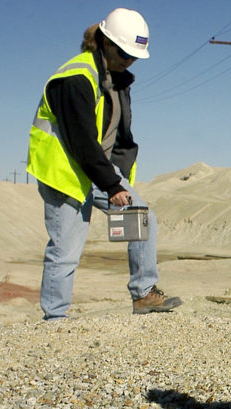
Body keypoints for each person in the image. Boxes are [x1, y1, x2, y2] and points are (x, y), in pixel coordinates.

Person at [27, 8, 181, 320]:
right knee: (66, 249)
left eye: (134, 56)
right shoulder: (75, 78)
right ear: (105, 42)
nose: (129, 60)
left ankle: (144, 294)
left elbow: (116, 134)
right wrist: (112, 185)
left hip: (98, 171)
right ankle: (55, 319)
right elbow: (81, 140)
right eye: (124, 53)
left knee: (143, 218)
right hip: (65, 174)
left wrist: (117, 177)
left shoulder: (116, 80)